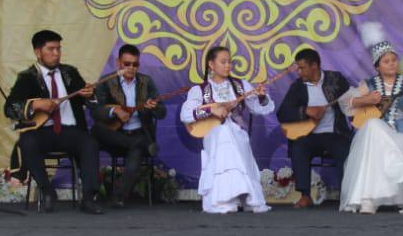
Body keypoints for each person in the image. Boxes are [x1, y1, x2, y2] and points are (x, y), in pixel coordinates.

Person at [338, 26, 403, 214]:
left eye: (394, 60)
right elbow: (345, 103)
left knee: (376, 130)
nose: (391, 64)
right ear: (377, 66)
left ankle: (401, 197)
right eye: (386, 61)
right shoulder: (370, 84)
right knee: (373, 126)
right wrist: (366, 100)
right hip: (376, 139)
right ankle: (368, 199)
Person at [4, 29, 103, 214]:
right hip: (43, 132)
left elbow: (91, 103)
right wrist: (35, 105)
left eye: (58, 49)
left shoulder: (70, 73)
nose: (56, 53)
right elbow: (10, 108)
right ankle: (47, 190)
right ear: (38, 52)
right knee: (27, 141)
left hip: (71, 131)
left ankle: (89, 197)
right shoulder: (27, 77)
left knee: (90, 143)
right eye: (51, 49)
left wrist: (90, 95)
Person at [180, 46, 273, 213]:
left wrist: (261, 97)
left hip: (238, 133)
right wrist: (211, 110)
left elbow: (259, 109)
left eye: (230, 62)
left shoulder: (240, 85)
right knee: (222, 132)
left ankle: (238, 196)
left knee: (229, 132)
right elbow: (186, 114)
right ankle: (226, 199)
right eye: (223, 62)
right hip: (213, 134)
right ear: (211, 64)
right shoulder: (200, 90)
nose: (228, 65)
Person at [275, 48, 354, 209]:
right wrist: (306, 110)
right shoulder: (298, 86)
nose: (299, 72)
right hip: (310, 135)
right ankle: (305, 196)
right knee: (298, 147)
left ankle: (346, 195)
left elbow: (352, 100)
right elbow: (282, 113)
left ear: (315, 66)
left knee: (344, 150)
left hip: (335, 133)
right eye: (297, 68)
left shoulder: (336, 80)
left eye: (302, 68)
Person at [89, 44, 165, 208]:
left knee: (136, 150)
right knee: (96, 130)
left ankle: (118, 196)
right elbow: (96, 112)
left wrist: (154, 107)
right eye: (127, 64)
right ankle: (141, 144)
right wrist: (114, 111)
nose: (131, 68)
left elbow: (162, 112)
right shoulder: (107, 81)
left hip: (138, 132)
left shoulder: (146, 82)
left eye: (135, 64)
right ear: (118, 63)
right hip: (116, 136)